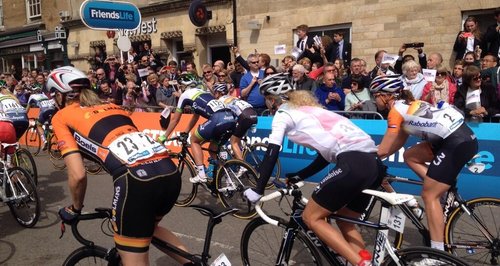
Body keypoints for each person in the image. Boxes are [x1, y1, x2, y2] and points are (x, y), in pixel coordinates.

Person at [48, 66, 192, 265]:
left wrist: (75, 209)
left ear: (60, 95)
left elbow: (78, 174)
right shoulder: (113, 106)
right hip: (169, 172)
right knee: (148, 229)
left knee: (132, 250)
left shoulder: (61, 117)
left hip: (135, 181)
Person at [244, 73, 385, 266]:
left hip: (353, 163)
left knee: (311, 217)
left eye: (266, 100)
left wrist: (258, 189)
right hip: (373, 163)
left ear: (271, 99)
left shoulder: (283, 114)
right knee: (345, 221)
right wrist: (301, 175)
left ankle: (361, 264)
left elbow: (272, 152)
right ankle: (363, 260)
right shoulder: (312, 109)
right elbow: (324, 155)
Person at [370, 74, 478, 252]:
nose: (375, 101)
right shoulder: (405, 106)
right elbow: (396, 144)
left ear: (385, 95)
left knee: (429, 195)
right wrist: (379, 152)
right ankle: (442, 188)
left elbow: (382, 150)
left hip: (455, 142)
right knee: (411, 156)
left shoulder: (395, 112)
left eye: (375, 95)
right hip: (459, 138)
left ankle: (437, 254)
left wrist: (363, 153)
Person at [159, 86, 236, 183]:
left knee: (194, 140)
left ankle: (201, 174)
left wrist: (164, 136)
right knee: (213, 149)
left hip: (217, 119)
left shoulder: (184, 96)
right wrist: (186, 132)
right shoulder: (204, 93)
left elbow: (175, 119)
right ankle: (227, 181)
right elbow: (196, 116)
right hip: (231, 119)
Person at [213, 83, 257, 162]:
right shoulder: (233, 97)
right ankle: (239, 154)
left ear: (218, 93)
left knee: (233, 142)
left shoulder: (220, 101)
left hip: (244, 116)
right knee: (237, 137)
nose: (214, 95)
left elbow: (223, 117)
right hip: (253, 113)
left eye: (215, 92)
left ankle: (243, 167)